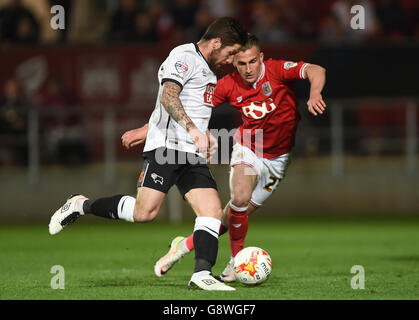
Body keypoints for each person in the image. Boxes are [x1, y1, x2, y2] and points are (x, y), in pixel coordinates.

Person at [48, 17, 247, 291]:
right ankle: (81, 204)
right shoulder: (184, 55)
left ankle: (202, 274)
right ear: (216, 43)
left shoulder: (211, 71)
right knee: (144, 213)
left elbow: (176, 105)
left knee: (212, 211)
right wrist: (190, 130)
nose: (231, 59)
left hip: (191, 154)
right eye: (231, 52)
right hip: (166, 149)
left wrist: (157, 128)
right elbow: (168, 96)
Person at [122, 34, 326, 282]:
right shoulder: (228, 84)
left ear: (261, 58)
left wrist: (315, 93)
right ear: (233, 63)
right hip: (250, 146)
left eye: (253, 62)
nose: (248, 69)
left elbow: (316, 69)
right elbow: (185, 104)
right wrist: (146, 130)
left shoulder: (276, 70)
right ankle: (235, 262)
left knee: (229, 218)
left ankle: (183, 246)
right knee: (239, 197)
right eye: (242, 64)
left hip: (279, 160)